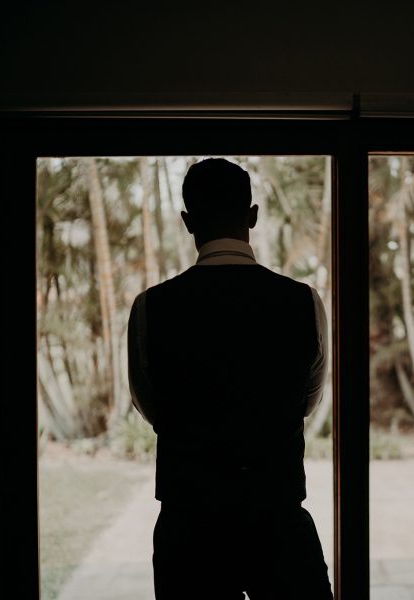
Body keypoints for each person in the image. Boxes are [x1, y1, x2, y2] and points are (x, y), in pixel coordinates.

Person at [127, 158, 333, 600]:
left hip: (189, 523)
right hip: (277, 517)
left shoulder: (150, 306)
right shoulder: (303, 301)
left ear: (188, 222)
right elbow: (306, 400)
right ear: (252, 216)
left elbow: (151, 405)